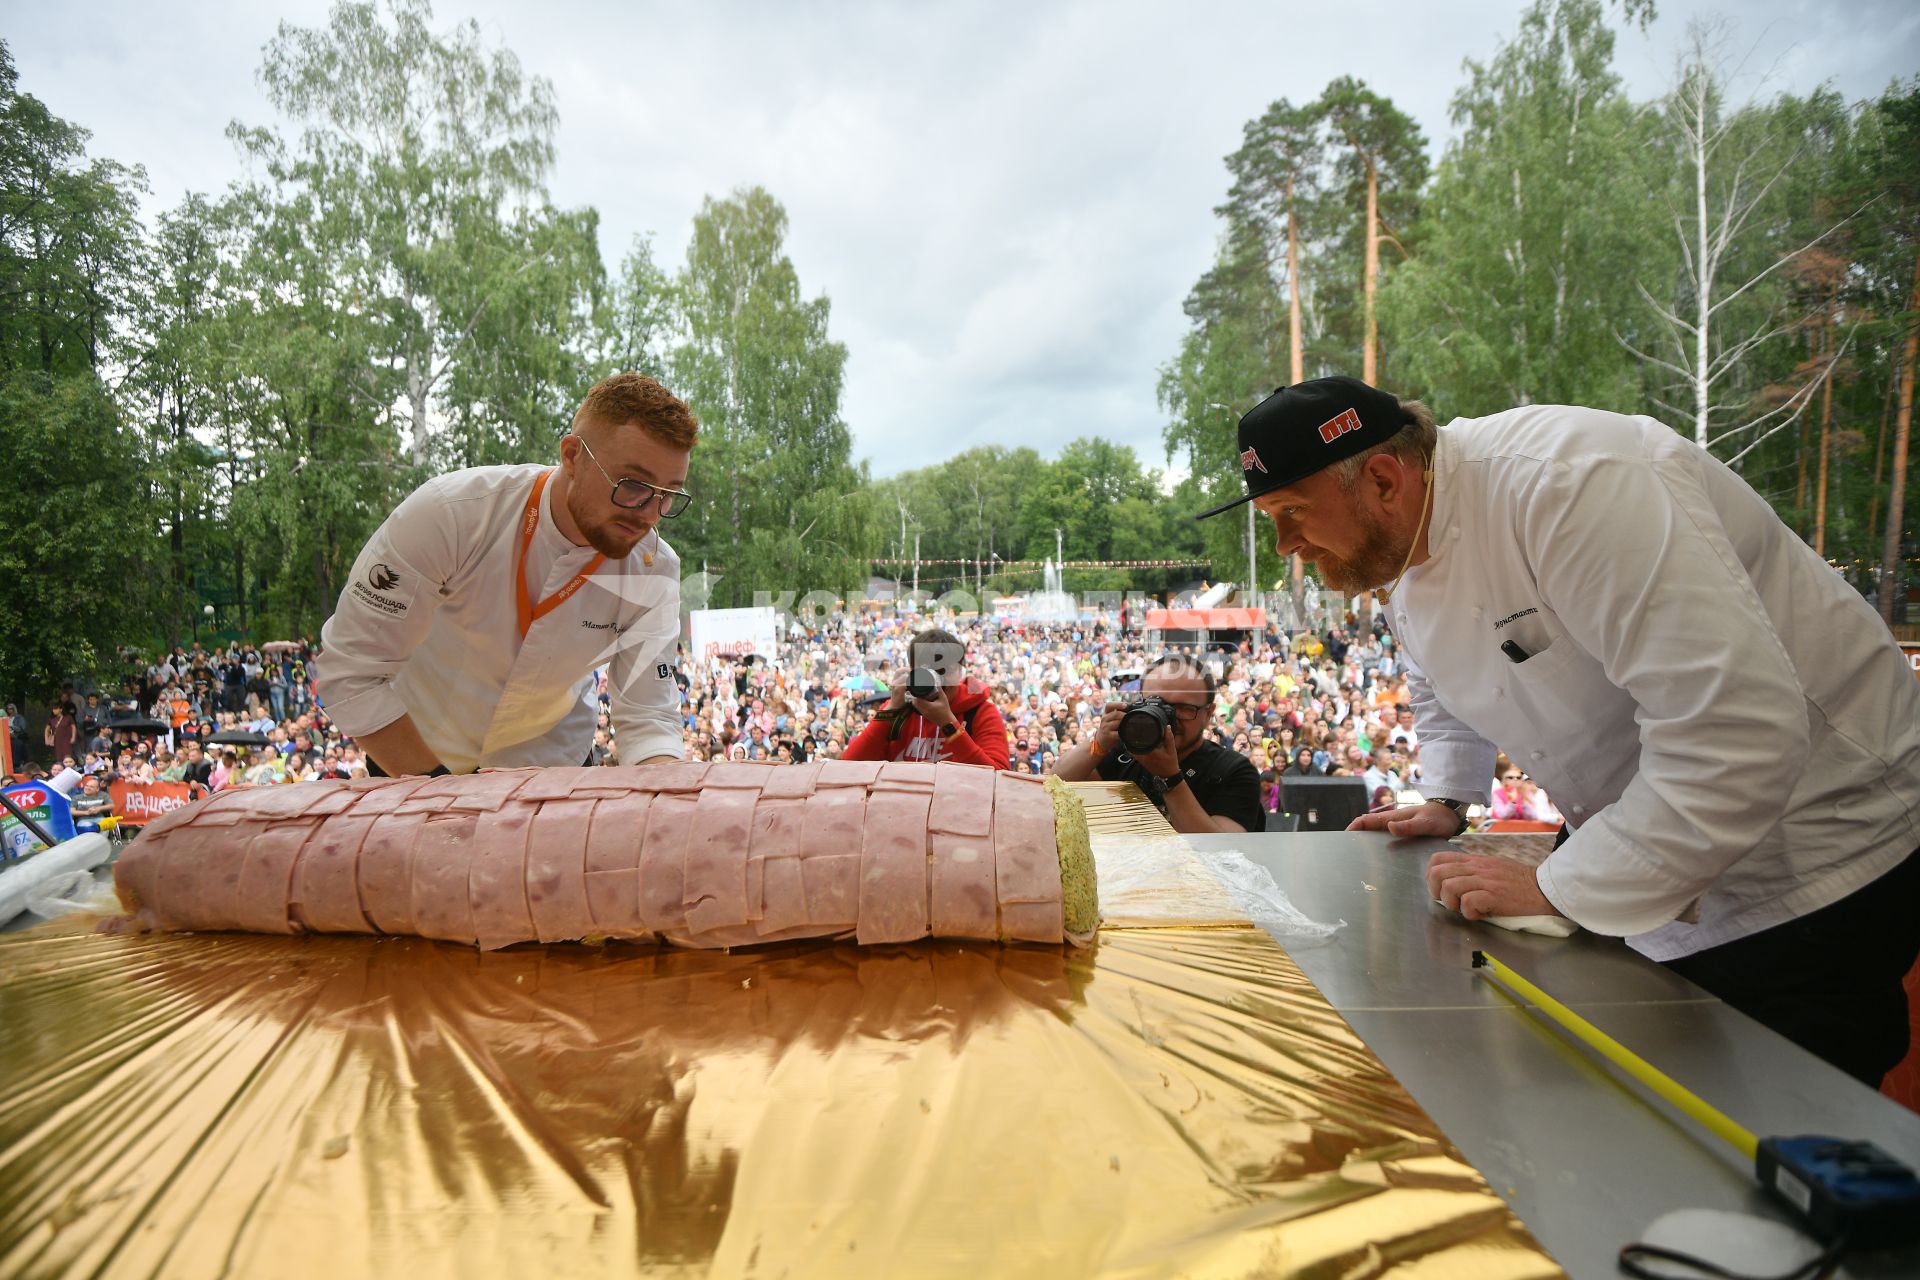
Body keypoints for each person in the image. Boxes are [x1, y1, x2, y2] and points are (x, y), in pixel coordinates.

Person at [1200, 374, 1920, 1084]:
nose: (1286, 542)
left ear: (1385, 479)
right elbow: (1438, 673)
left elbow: (1736, 730)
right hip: (1651, 833)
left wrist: (1558, 886)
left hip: (1816, 846)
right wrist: (1449, 796)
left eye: (1293, 510)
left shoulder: (1573, 485)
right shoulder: (1409, 543)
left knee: (1787, 1139)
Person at [317, 373, 696, 775]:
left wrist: (669, 803)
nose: (650, 514)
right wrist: (439, 795)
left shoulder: (654, 571)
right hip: (413, 761)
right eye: (632, 485)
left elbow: (649, 715)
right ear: (572, 456)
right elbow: (352, 672)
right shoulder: (449, 515)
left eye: (668, 494)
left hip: (553, 770)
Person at [1053, 655, 1264, 835]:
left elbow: (1222, 853)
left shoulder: (1234, 771)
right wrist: (1098, 743)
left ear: (1208, 714)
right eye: (1157, 704)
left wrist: (1169, 778)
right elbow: (1055, 786)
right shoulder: (1124, 753)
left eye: (1183, 708)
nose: (1168, 717)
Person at [841, 628, 1010, 768]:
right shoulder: (897, 709)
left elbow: (998, 777)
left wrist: (948, 724)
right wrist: (891, 710)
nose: (939, 679)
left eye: (945, 669)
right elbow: (847, 768)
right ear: (911, 670)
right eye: (927, 668)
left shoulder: (980, 711)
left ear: (961, 670)